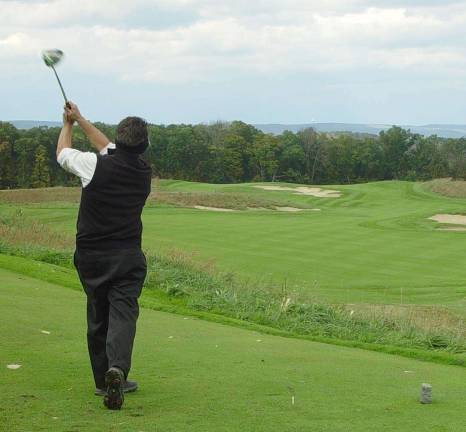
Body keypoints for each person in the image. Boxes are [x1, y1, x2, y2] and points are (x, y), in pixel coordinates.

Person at [56, 102, 152, 410]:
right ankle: (118, 371)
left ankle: (103, 380)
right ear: (143, 145)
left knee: (98, 314)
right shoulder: (142, 170)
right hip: (127, 256)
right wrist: (81, 118)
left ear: (119, 139)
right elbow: (106, 146)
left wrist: (69, 124)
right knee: (123, 313)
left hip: (92, 257)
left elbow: (62, 153)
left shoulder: (94, 165)